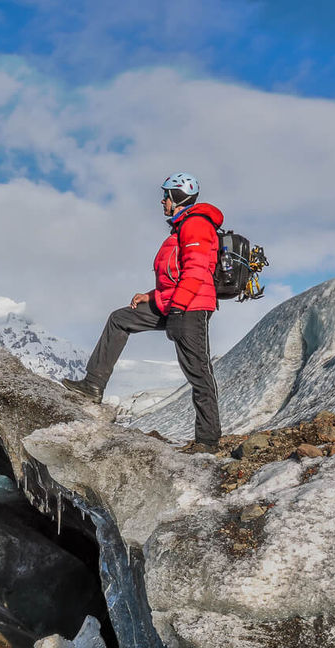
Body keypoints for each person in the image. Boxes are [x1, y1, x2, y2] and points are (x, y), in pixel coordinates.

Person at [63, 172, 223, 453]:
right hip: (173, 303)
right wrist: (150, 296)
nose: (162, 201)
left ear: (177, 198)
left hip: (190, 307)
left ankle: (208, 441)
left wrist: (178, 310)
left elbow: (196, 271)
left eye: (165, 196)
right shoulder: (181, 227)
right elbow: (173, 275)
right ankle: (93, 385)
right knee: (120, 319)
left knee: (198, 372)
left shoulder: (196, 224)